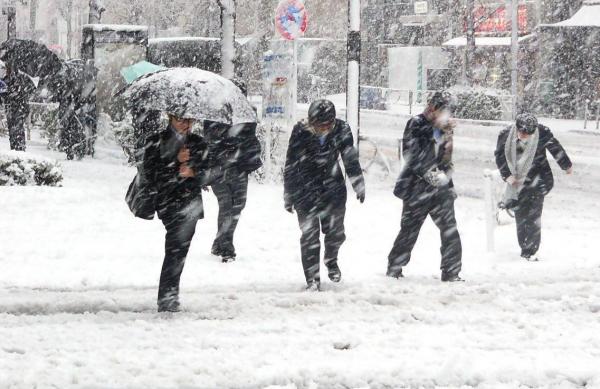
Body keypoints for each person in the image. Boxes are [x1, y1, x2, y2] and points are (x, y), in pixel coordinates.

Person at [284, 99, 365, 291]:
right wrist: (288, 193)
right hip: (305, 189)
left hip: (333, 188)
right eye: (317, 124)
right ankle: (312, 278)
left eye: (325, 125)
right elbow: (291, 163)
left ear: (332, 122)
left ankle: (331, 259)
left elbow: (350, 158)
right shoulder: (300, 130)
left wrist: (358, 184)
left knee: (336, 233)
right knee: (309, 235)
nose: (321, 128)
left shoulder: (341, 129)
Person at [387, 91, 463, 282]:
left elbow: (446, 160)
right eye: (444, 111)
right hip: (416, 188)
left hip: (440, 190)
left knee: (450, 230)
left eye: (449, 112)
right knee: (409, 230)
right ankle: (395, 267)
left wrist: (448, 183)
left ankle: (451, 272)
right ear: (433, 108)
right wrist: (429, 174)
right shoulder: (417, 124)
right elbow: (411, 154)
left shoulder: (446, 130)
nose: (447, 116)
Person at [141, 113, 213, 312]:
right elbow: (151, 174)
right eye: (181, 119)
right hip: (168, 202)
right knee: (175, 249)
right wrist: (174, 162)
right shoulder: (156, 142)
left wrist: (194, 171)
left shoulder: (198, 143)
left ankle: (169, 295)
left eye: (190, 120)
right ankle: (167, 297)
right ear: (171, 118)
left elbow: (210, 174)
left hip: (190, 204)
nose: (186, 124)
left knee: (179, 251)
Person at [494, 113, 573, 261]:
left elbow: (555, 148)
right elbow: (499, 156)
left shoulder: (541, 132)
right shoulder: (505, 135)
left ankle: (530, 251)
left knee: (534, 216)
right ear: (517, 128)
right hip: (517, 182)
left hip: (538, 179)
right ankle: (524, 246)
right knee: (521, 216)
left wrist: (566, 165)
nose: (525, 135)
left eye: (528, 133)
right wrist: (507, 176)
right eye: (522, 132)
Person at [204, 119, 262, 262]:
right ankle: (226, 248)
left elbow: (251, 140)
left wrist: (245, 152)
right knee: (226, 205)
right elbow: (209, 142)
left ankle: (219, 243)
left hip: (239, 168)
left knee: (238, 205)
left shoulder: (245, 114)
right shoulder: (214, 113)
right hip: (218, 168)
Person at [3, 63, 36, 151]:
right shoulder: (6, 79)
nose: (6, 70)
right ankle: (14, 148)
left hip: (19, 107)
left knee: (18, 128)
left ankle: (19, 148)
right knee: (12, 129)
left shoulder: (21, 77)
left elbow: (30, 89)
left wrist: (17, 94)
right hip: (11, 107)